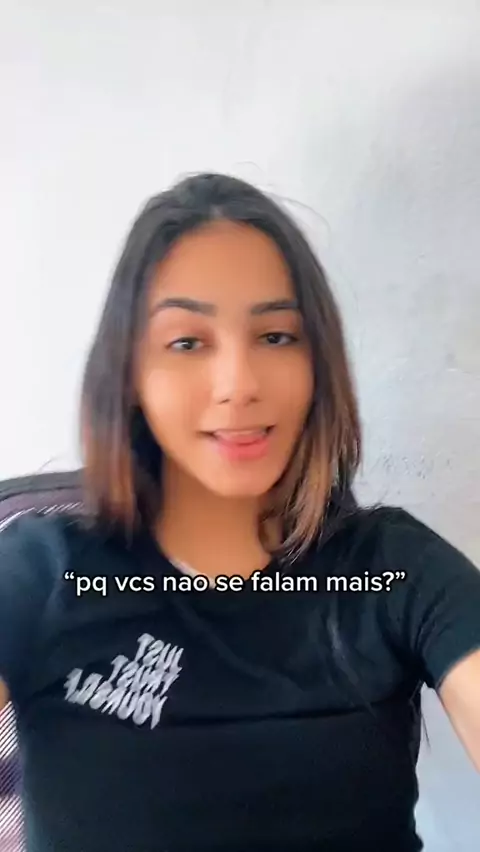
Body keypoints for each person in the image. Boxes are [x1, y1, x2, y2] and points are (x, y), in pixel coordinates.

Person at [0, 172, 479, 852]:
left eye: (276, 336)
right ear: (129, 374)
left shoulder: (395, 570)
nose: (239, 384)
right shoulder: (38, 573)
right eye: (187, 343)